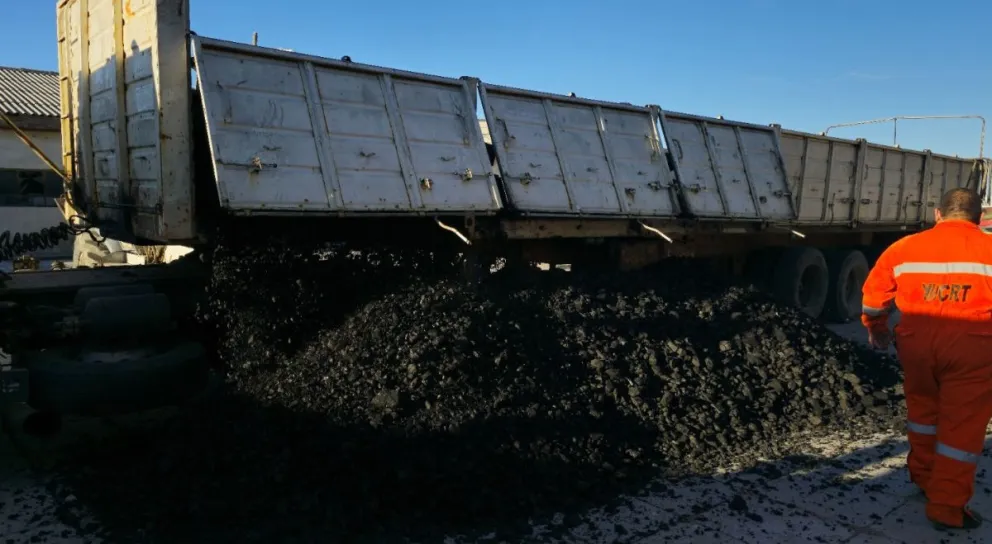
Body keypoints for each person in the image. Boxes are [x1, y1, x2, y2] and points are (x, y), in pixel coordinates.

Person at [861, 187, 992, 530]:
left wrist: (876, 328)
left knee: (923, 415)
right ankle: (947, 508)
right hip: (974, 348)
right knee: (960, 430)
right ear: (979, 217)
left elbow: (874, 297)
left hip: (916, 346)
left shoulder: (904, 248)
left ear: (938, 214)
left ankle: (924, 478)